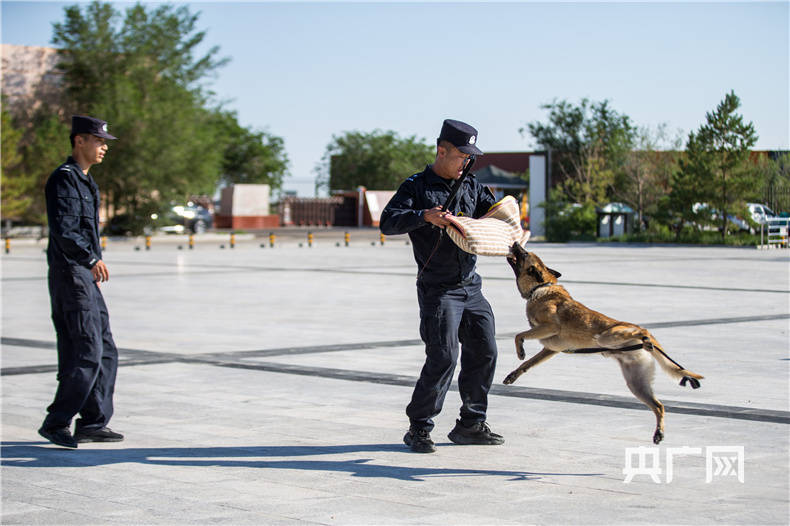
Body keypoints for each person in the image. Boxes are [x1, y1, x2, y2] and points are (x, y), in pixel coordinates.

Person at [380, 119, 504, 453]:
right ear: (442, 150)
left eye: (470, 157)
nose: (466, 162)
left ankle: (471, 423)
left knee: (485, 350)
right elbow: (388, 222)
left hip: (471, 287)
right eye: (462, 155)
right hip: (439, 289)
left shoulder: (472, 183)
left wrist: (507, 219)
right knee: (444, 356)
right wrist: (423, 216)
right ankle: (419, 427)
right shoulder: (416, 186)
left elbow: (491, 216)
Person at [38, 115, 123, 448]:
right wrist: (90, 260)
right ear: (79, 141)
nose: (104, 147)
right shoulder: (65, 180)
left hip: (85, 276)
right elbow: (64, 229)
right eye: (99, 140)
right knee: (86, 349)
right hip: (71, 273)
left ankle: (93, 421)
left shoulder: (86, 181)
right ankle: (57, 421)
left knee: (106, 350)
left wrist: (92, 266)